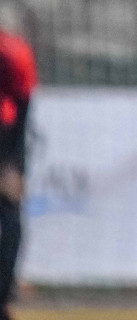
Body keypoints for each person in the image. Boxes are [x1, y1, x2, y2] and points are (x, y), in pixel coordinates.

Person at [0, 32, 34, 320]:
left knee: (9, 224)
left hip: (4, 147)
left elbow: (23, 110)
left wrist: (14, 165)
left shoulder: (10, 54)